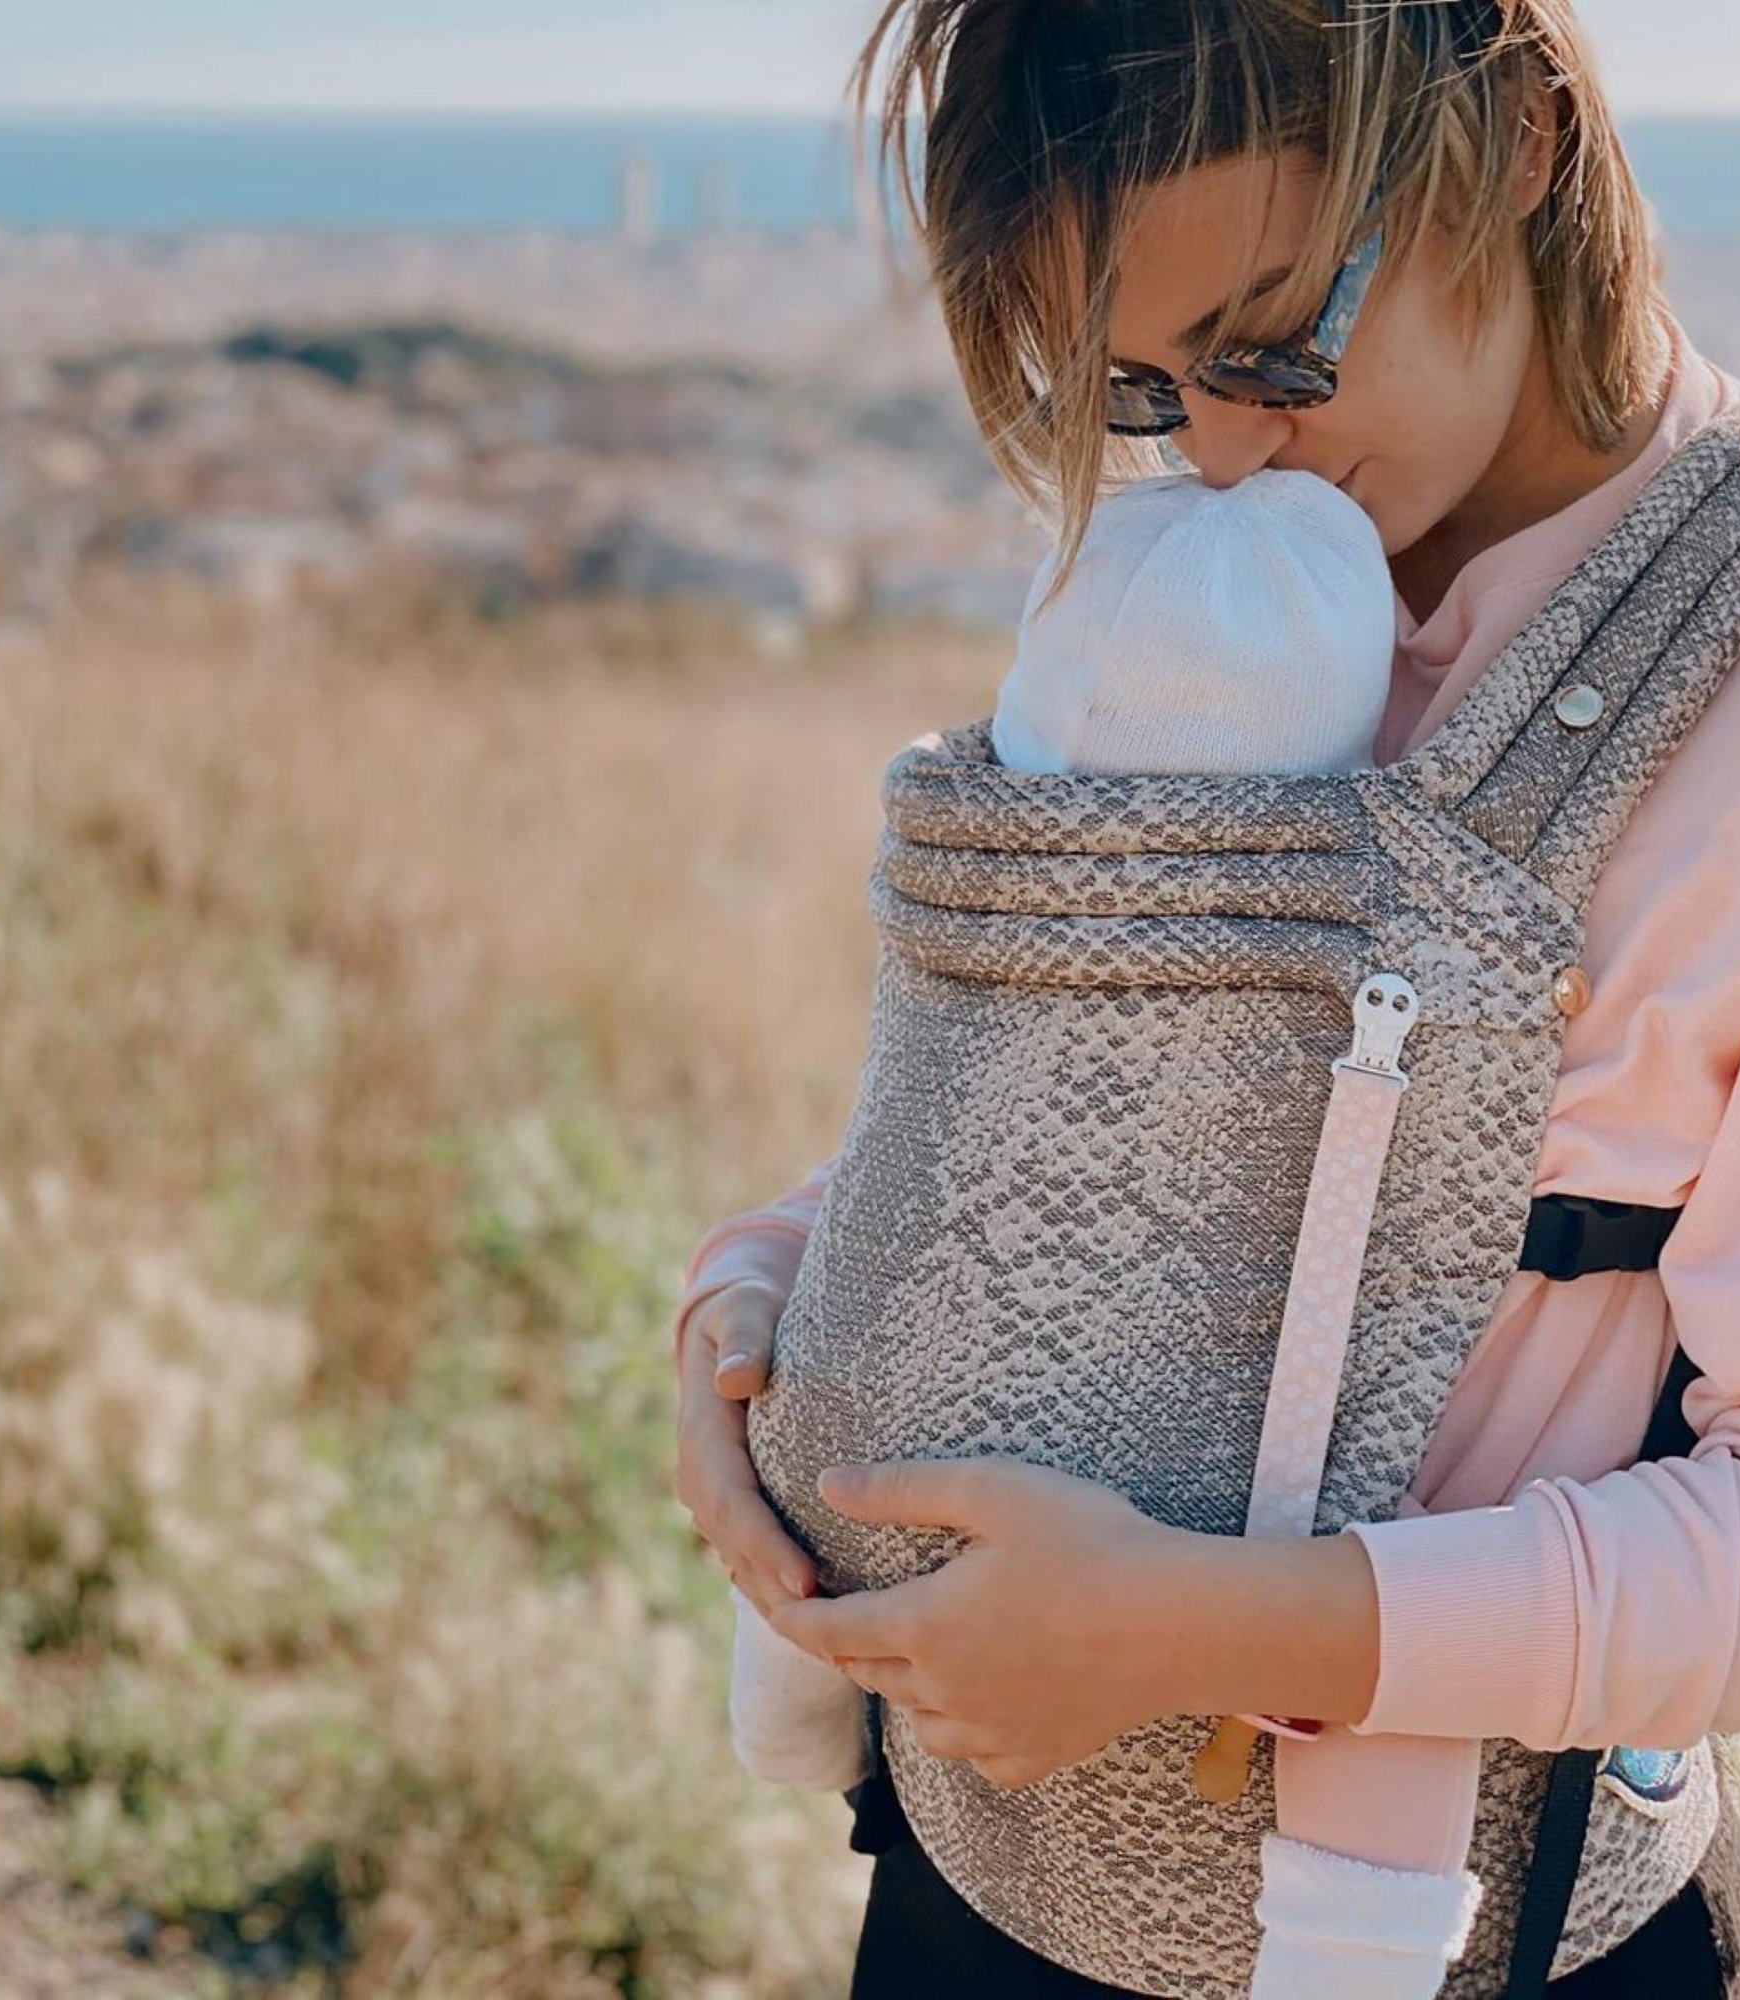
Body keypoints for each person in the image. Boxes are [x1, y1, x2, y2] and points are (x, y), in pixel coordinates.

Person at [669, 2, 1740, 1993]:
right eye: (1149, 387)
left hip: (1469, 1946)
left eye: (1273, 344)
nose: (1236, 448)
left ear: (1515, 133)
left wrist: (1203, 1626)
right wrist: (756, 1317)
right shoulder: (1218, 587)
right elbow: (1051, 1130)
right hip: (977, 1884)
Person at [728, 466, 1504, 1996]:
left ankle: (787, 1696)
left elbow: (892, 1148)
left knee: (838, 1463)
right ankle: (1352, 1940)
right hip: (1229, 1564)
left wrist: (740, 1293)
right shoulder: (1354, 915)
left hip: (841, 1421)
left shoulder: (962, 859)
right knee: (1386, 1547)